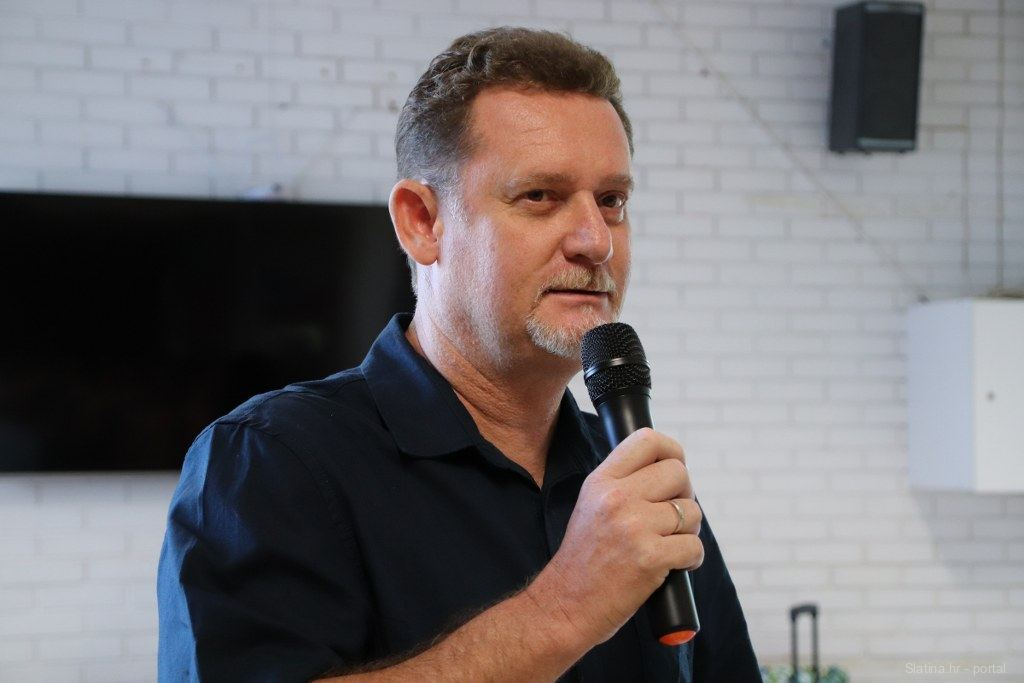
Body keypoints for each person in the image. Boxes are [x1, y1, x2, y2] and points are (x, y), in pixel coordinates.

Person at [157, 27, 761, 682]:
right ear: (422, 221)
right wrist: (564, 609)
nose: (596, 241)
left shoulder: (633, 476)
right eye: (540, 196)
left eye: (612, 201)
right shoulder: (271, 461)